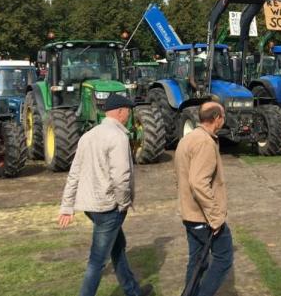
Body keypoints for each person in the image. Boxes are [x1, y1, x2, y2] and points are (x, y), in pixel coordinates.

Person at [58, 94, 153, 296]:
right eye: (128, 110)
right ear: (120, 112)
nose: (129, 115)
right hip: (108, 208)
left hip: (91, 207)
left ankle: (133, 291)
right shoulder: (118, 137)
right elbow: (121, 177)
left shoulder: (88, 136)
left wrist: (67, 206)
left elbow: (74, 173)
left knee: (117, 248)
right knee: (97, 261)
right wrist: (123, 204)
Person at [175, 101, 233, 296]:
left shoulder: (189, 138)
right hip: (203, 217)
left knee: (198, 261)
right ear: (217, 119)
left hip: (190, 213)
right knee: (224, 258)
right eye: (223, 116)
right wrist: (216, 218)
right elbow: (198, 182)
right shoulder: (204, 142)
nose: (223, 120)